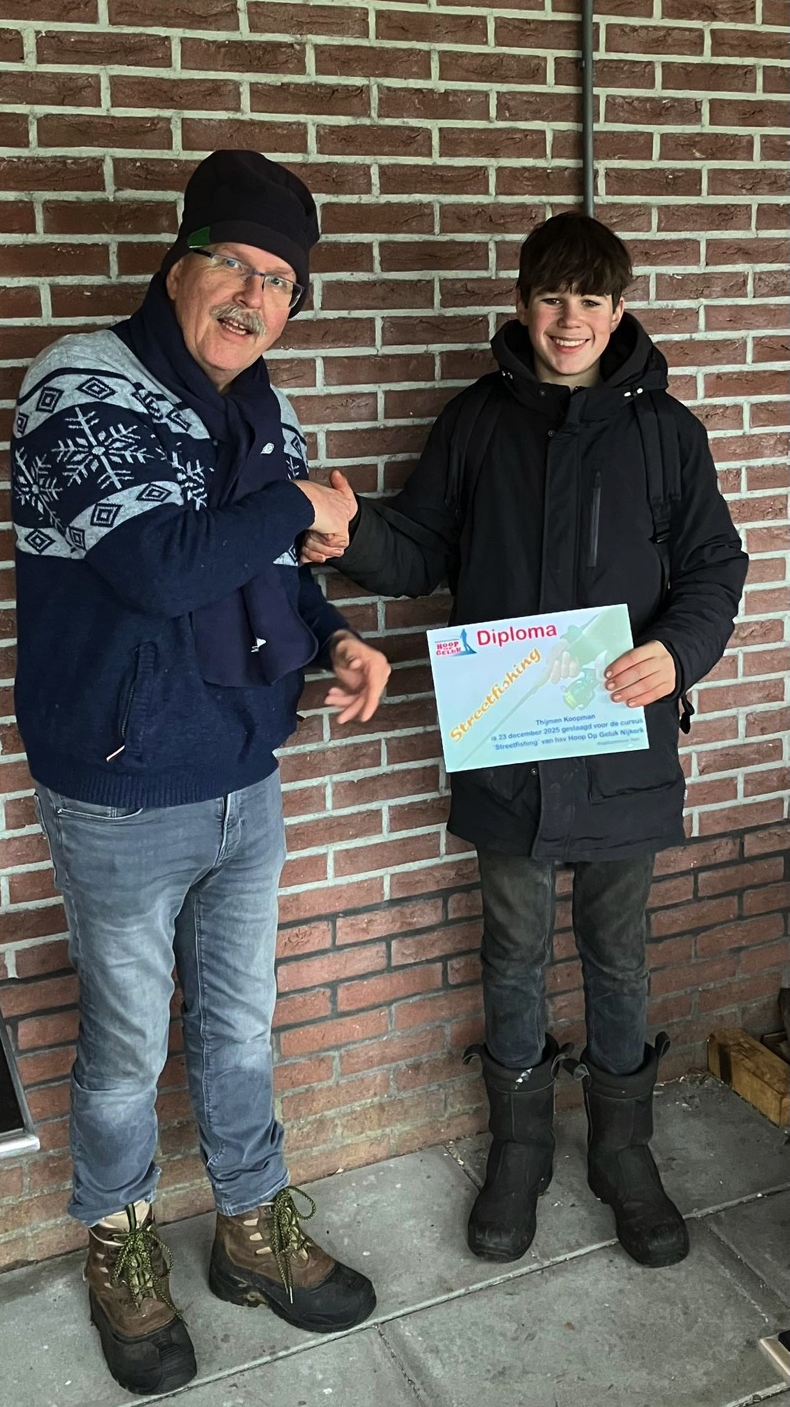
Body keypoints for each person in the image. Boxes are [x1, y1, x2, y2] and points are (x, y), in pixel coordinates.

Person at [303, 212, 748, 1273]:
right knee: (511, 948)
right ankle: (520, 1148)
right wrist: (353, 529)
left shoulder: (667, 432)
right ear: (521, 304)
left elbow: (714, 566)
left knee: (618, 952)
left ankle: (624, 1152)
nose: (569, 319)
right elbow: (420, 548)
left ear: (620, 309)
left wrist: (678, 652)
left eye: (591, 299)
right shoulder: (477, 421)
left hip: (623, 747)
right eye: (552, 296)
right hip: (509, 746)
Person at [10, 150, 387, 1397]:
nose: (255, 296)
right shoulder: (81, 382)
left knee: (239, 1026)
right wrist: (301, 502)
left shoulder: (267, 414)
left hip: (244, 771)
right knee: (126, 1044)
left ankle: (250, 1227)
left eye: (281, 281)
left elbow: (275, 567)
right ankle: (119, 1245)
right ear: (179, 265)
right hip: (121, 785)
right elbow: (162, 566)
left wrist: (336, 635)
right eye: (234, 264)